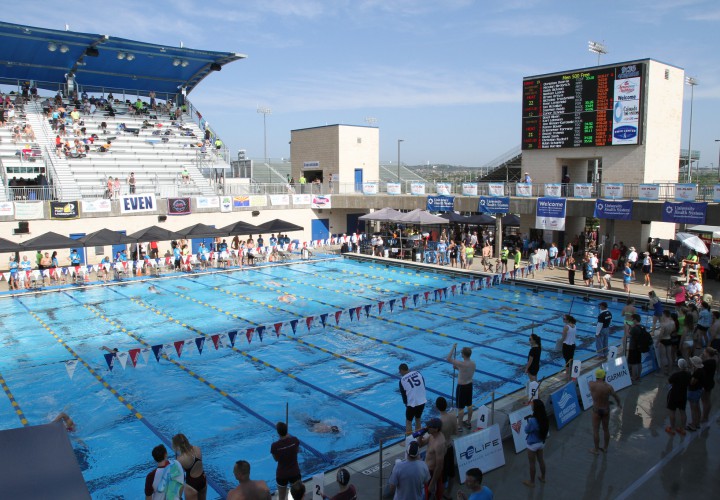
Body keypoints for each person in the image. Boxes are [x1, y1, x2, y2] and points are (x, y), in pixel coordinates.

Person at [588, 368, 622, 454]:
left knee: (596, 430)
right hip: (605, 410)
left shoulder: (591, 384)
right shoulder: (608, 387)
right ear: (604, 376)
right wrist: (619, 404)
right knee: (606, 429)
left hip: (596, 410)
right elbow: (616, 396)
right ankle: (605, 448)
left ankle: (596, 450)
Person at [446, 344, 475, 430]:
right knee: (469, 405)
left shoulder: (461, 363)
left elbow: (448, 358)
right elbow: (467, 372)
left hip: (462, 388)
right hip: (469, 386)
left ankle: (459, 426)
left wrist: (453, 347)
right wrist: (458, 369)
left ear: (463, 354)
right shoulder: (473, 364)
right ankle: (469, 422)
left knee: (460, 408)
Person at [416, 418, 446, 499]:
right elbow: (420, 445)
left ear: (436, 429)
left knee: (430, 495)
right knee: (426, 494)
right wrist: (420, 435)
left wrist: (432, 483)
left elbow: (439, 466)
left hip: (432, 474)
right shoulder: (431, 436)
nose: (427, 427)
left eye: (429, 426)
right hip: (427, 472)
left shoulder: (439, 443)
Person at [271, 422, 301, 500]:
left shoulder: (275, 446)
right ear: (287, 431)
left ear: (278, 432)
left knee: (281, 496)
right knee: (297, 496)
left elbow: (276, 459)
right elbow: (297, 451)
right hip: (295, 472)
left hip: (281, 474)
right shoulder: (294, 440)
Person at [172, 433, 207, 500]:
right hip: (203, 480)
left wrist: (178, 497)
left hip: (191, 485)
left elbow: (180, 480)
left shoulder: (180, 459)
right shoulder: (197, 449)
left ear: (177, 446)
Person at [522, 399, 548, 487]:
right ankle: (543, 477)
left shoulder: (533, 421)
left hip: (532, 444)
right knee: (541, 461)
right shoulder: (544, 417)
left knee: (532, 464)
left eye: (532, 405)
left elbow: (526, 430)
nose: (531, 406)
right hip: (541, 442)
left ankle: (532, 482)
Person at [435, 397, 457, 496]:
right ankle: (449, 494)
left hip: (442, 451)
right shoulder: (453, 416)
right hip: (450, 446)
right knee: (451, 473)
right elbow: (456, 432)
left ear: (437, 407)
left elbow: (435, 438)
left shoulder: (438, 422)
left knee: (443, 476)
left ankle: (440, 495)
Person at [399, 363, 427, 434]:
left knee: (408, 422)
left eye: (399, 371)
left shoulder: (402, 380)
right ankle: (418, 439)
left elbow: (404, 396)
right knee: (418, 419)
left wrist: (406, 405)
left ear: (402, 370)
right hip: (422, 401)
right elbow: (423, 385)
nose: (400, 373)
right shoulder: (418, 373)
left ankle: (409, 441)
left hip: (412, 404)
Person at [665, 358, 691, 435]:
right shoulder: (688, 374)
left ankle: (672, 428)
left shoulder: (675, 375)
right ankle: (682, 429)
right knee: (682, 411)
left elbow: (669, 381)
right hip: (683, 395)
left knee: (672, 411)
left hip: (674, 395)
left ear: (679, 366)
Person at [686, 356, 704, 431]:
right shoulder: (701, 370)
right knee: (697, 407)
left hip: (693, 391)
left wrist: (690, 375)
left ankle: (693, 425)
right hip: (699, 390)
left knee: (693, 409)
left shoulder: (697, 372)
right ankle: (697, 423)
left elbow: (692, 382)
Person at [700, 347, 716, 424]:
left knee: (705, 401)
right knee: (707, 400)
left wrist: (700, 359)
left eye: (704, 352)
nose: (703, 353)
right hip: (710, 382)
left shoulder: (706, 363)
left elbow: (699, 368)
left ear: (707, 353)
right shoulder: (713, 361)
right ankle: (705, 416)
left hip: (705, 383)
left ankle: (704, 417)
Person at [627, 314, 645, 383]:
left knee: (634, 364)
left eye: (632, 319)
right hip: (639, 347)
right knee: (639, 362)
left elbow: (628, 335)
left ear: (635, 320)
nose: (631, 321)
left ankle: (634, 378)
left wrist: (628, 327)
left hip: (633, 348)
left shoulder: (634, 328)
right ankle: (638, 377)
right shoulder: (642, 327)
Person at [561, 315, 577, 381]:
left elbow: (563, 337)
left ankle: (567, 374)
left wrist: (559, 341)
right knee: (571, 359)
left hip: (566, 345)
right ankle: (570, 372)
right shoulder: (574, 326)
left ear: (567, 320)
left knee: (567, 360)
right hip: (573, 345)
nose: (563, 320)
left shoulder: (566, 327)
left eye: (564, 319)